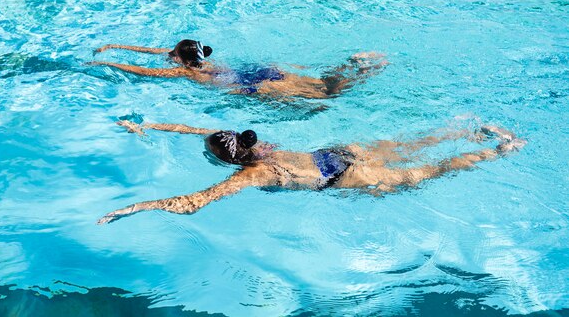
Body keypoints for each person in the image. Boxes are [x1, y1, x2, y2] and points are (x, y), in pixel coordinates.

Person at [97, 121, 525, 223]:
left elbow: (192, 204)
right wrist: (151, 124)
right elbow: (201, 129)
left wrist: (137, 206)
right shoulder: (255, 145)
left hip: (341, 177)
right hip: (335, 153)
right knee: (414, 146)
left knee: (426, 172)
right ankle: (473, 131)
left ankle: (502, 153)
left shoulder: (249, 175)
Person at [90, 39, 387, 99]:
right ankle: (353, 64)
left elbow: (145, 72)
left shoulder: (188, 73)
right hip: (259, 71)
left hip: (253, 87)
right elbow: (161, 51)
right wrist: (116, 45)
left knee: (326, 96)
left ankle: (359, 71)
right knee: (319, 83)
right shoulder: (204, 58)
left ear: (179, 60)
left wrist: (109, 61)